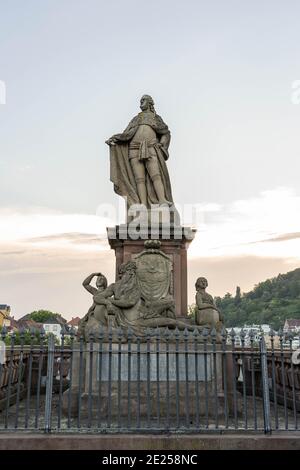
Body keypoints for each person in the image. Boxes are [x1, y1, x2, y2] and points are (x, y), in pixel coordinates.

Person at [106, 95, 174, 209]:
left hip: (150, 147)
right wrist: (115, 139)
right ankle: (142, 204)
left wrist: (162, 144)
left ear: (150, 103)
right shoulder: (135, 119)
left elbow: (165, 133)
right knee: (139, 179)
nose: (141, 102)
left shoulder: (155, 118)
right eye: (140, 100)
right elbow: (126, 133)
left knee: (156, 175)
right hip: (134, 148)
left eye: (144, 100)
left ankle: (162, 200)